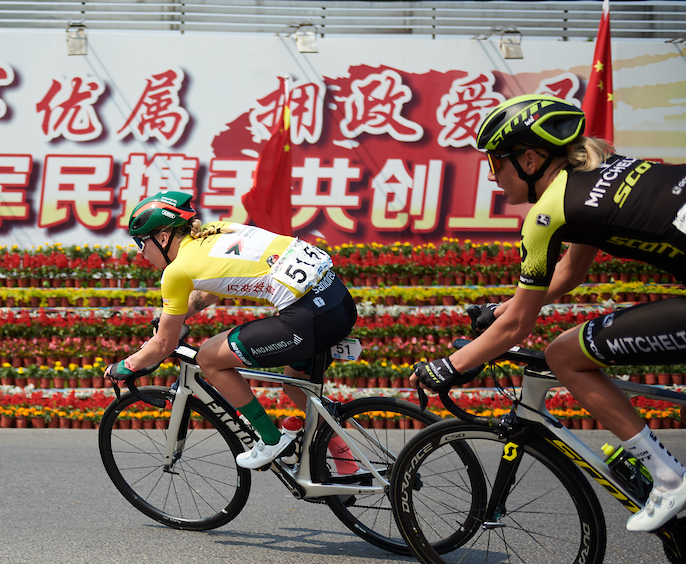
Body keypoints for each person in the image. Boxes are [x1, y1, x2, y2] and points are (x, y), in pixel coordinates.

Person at [411, 93, 686, 533]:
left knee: (564, 355)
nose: (492, 177)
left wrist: (450, 365)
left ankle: (669, 476)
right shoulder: (605, 170)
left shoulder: (546, 216)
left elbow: (521, 326)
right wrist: (504, 307)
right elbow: (573, 270)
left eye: (494, 164)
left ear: (531, 159)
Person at [104, 190, 359, 469]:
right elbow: (213, 289)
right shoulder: (216, 231)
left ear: (163, 238)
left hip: (308, 319)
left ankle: (272, 440)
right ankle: (349, 466)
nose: (141, 253)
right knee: (295, 385)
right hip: (338, 302)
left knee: (208, 357)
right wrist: (173, 318)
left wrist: (126, 366)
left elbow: (165, 345)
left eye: (141, 243)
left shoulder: (176, 272)